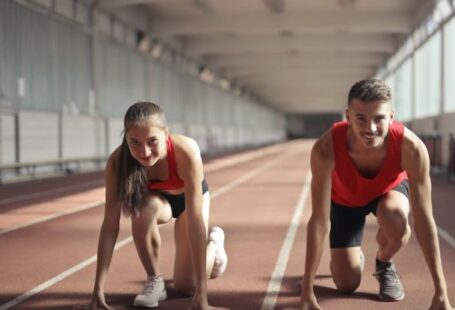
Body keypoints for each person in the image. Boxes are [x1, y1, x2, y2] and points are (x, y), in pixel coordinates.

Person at [297, 79, 453, 310]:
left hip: (387, 193)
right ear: (348, 116)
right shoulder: (325, 149)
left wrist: (441, 291)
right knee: (346, 284)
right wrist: (306, 291)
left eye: (379, 118)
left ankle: (384, 262)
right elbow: (319, 221)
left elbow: (424, 220)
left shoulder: (412, 148)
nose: (370, 129)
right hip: (344, 200)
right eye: (361, 118)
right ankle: (348, 259)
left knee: (396, 220)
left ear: (391, 116)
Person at [88, 101, 228, 310]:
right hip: (158, 202)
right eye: (134, 142)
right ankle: (155, 280)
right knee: (142, 209)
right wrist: (98, 290)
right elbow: (110, 225)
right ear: (125, 138)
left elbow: (195, 221)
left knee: (186, 286)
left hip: (190, 203)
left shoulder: (185, 152)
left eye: (152, 141)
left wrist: (202, 294)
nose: (144, 152)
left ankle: (215, 245)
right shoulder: (117, 162)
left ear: (166, 134)